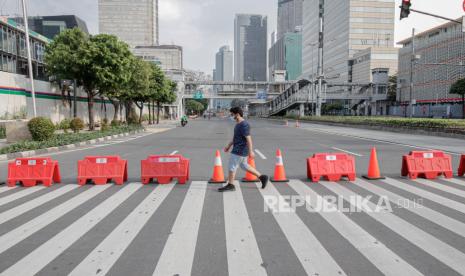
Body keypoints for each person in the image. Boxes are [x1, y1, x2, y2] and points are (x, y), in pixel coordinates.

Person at [219, 107, 268, 192]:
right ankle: (262, 177)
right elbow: (236, 138)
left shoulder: (244, 125)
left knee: (232, 166)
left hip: (239, 150)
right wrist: (228, 146)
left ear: (237, 114)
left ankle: (231, 185)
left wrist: (250, 151)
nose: (231, 116)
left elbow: (248, 139)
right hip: (238, 148)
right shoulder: (238, 124)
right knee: (244, 165)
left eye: (232, 114)